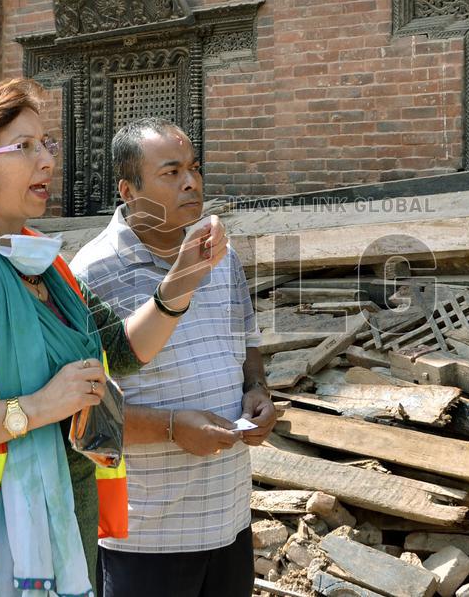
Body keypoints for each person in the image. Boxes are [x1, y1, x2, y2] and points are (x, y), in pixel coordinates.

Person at [0, 80, 228, 597]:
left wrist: (182, 279)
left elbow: (120, 352)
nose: (47, 161)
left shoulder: (43, 262)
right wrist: (34, 408)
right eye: (24, 147)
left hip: (64, 526)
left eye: (47, 144)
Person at [70, 117, 277, 597]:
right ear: (128, 190)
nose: (191, 183)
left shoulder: (216, 254)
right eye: (171, 172)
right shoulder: (91, 274)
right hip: (145, 536)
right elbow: (80, 419)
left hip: (229, 519)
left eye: (194, 168)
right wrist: (170, 428)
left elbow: (245, 336)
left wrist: (257, 390)